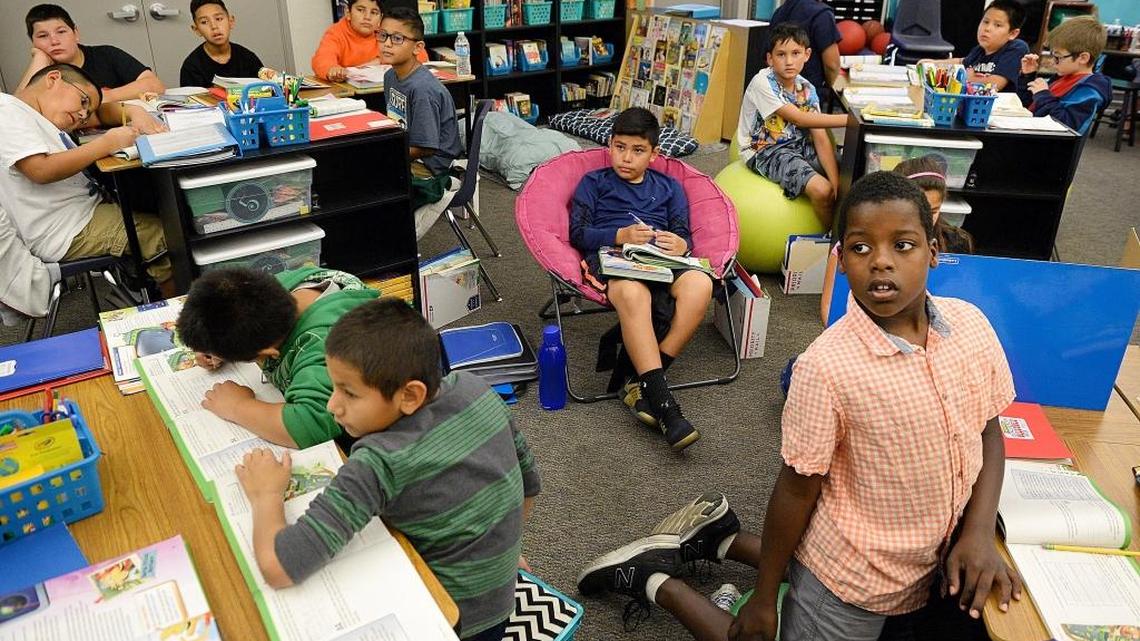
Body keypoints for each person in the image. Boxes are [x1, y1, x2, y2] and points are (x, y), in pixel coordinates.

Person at [578, 171, 1023, 641]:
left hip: (932, 565)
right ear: (841, 260)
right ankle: (653, 580)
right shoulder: (826, 368)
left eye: (904, 245)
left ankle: (715, 539)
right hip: (850, 583)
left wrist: (978, 532)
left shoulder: (971, 325)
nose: (881, 263)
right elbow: (795, 490)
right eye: (860, 248)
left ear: (934, 250)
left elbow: (988, 430)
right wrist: (765, 597)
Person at [233, 298, 541, 641]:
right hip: (500, 599)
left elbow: (279, 567)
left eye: (348, 393)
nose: (332, 405)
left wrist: (266, 494)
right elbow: (527, 486)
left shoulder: (378, 461)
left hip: (451, 623)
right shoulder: (476, 388)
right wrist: (498, 550)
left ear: (409, 395)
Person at [569, 107, 708, 451]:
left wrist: (681, 243)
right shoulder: (594, 183)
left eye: (637, 150)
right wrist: (620, 235)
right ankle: (665, 405)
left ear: (654, 154)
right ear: (610, 145)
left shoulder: (669, 187)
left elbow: (682, 232)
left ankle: (639, 382)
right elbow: (577, 233)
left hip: (659, 258)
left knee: (701, 285)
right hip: (615, 257)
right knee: (634, 294)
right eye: (619, 147)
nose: (626, 158)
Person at [0, 63, 174, 297]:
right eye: (82, 102)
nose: (83, 115)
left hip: (76, 214)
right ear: (53, 79)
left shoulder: (37, 115)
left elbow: (101, 112)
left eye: (86, 112)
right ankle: (178, 315)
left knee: (160, 209)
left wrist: (135, 111)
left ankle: (149, 289)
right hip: (65, 230)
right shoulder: (8, 111)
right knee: (165, 237)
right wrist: (106, 144)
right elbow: (39, 169)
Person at [175, 266, 379, 449]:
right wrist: (215, 345)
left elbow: (311, 426)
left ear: (267, 354)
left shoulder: (328, 347)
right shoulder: (270, 293)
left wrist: (237, 406)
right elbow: (233, 316)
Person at [819, 154, 974, 325]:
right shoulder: (850, 248)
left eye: (932, 211)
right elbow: (830, 310)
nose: (925, 219)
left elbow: (966, 293)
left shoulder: (958, 242)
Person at [736, 23, 847, 229]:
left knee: (849, 173)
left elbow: (820, 137)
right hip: (765, 151)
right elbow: (800, 119)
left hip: (799, 146)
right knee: (822, 191)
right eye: (781, 54)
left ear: (807, 54)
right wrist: (850, 120)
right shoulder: (762, 82)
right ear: (770, 59)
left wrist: (837, 185)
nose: (789, 61)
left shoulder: (806, 88)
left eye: (795, 53)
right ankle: (831, 240)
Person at [18, 4, 166, 133]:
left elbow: (154, 85)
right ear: (33, 42)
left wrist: (101, 97)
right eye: (43, 36)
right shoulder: (45, 76)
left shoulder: (105, 54)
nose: (54, 41)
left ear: (75, 33)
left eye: (61, 32)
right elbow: (16, 112)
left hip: (130, 127)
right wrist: (39, 59)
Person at [380, 7, 463, 209]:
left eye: (398, 38)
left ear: (418, 47)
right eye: (383, 35)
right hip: (409, 151)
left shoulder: (422, 89)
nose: (387, 43)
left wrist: (389, 155)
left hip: (431, 166)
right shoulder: (390, 76)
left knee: (369, 182)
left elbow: (427, 146)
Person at [1017, 16, 1111, 136]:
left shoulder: (1090, 91)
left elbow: (1065, 126)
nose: (1052, 61)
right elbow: (1028, 106)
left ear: (1083, 58)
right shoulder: (1062, 77)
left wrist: (1043, 96)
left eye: (1058, 57)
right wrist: (1027, 77)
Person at [311, 0, 428, 82]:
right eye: (360, 10)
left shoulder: (386, 32)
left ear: (381, 17)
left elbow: (421, 56)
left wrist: (379, 61)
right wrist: (333, 70)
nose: (367, 17)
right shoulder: (336, 32)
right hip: (349, 96)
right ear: (348, 12)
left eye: (374, 12)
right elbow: (321, 60)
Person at [932, 0, 1028, 92]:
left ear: (1013, 34)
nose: (987, 28)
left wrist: (969, 78)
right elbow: (962, 62)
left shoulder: (1016, 48)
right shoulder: (980, 49)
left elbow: (995, 84)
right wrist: (933, 64)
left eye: (997, 25)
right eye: (986, 22)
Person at [180, 0, 264, 88]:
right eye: (204, 22)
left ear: (231, 21)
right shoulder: (192, 67)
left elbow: (266, 91)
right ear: (196, 30)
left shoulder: (248, 58)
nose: (214, 26)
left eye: (219, 19)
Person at [767, 0, 841, 95]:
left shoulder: (780, 11)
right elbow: (832, 65)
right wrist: (828, 86)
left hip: (778, 88)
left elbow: (767, 53)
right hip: (809, 89)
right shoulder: (822, 15)